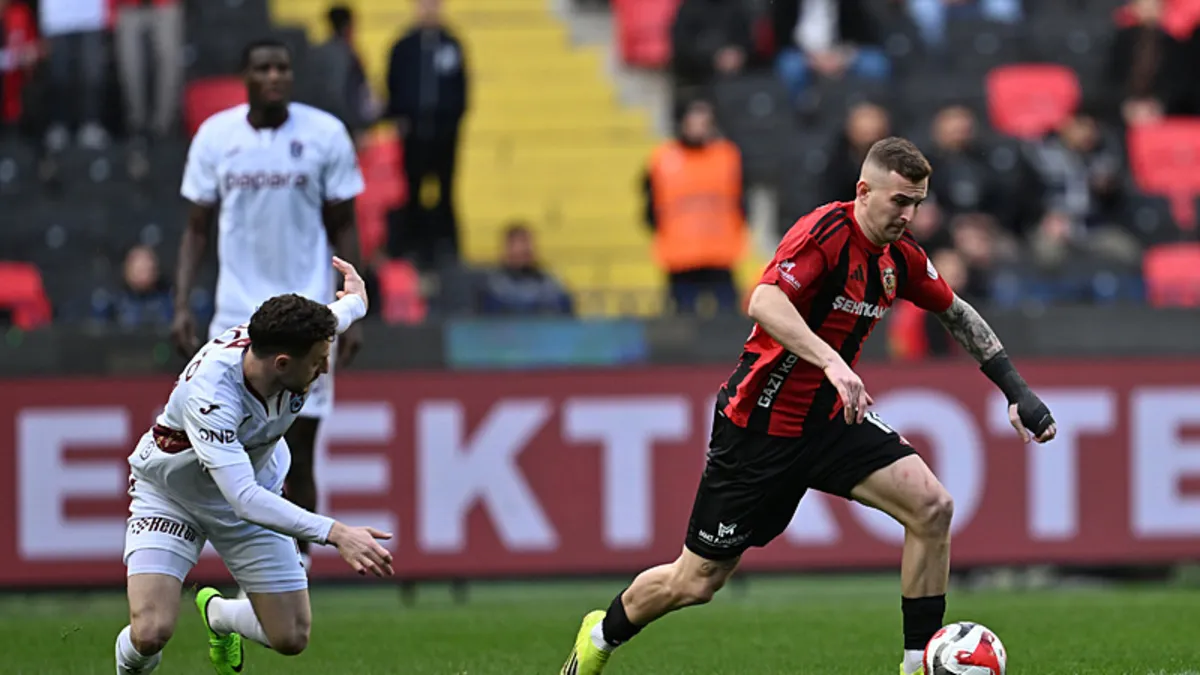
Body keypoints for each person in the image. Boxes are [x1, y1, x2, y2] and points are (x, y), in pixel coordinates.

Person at [559, 137, 1057, 675]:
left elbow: (957, 313)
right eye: (899, 202)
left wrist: (1016, 390)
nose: (909, 215)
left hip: (830, 419)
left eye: (917, 203)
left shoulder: (901, 258)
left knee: (932, 508)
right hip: (759, 426)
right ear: (864, 191)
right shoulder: (825, 233)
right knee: (696, 581)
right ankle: (600, 636)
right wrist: (832, 362)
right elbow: (764, 300)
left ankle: (917, 666)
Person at [115, 258, 393, 675]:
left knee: (292, 637)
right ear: (282, 363)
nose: (325, 368)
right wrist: (336, 534)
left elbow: (342, 313)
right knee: (151, 631)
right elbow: (243, 499)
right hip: (175, 497)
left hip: (251, 489)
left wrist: (357, 299)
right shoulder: (212, 396)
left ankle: (219, 616)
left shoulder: (290, 347)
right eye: (318, 361)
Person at [170, 38, 366, 574]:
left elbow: (344, 222)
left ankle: (294, 570)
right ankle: (214, 562)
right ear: (245, 76)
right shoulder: (216, 136)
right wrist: (181, 303)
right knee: (229, 454)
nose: (275, 76)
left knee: (298, 450)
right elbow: (195, 229)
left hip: (309, 316)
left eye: (283, 67)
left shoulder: (324, 133)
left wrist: (350, 308)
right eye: (263, 68)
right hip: (237, 316)